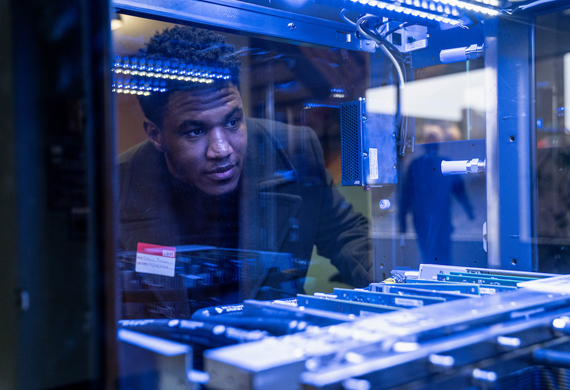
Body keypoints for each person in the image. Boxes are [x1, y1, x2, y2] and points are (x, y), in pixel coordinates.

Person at [118, 26, 371, 290]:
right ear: (156, 135)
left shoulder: (296, 149)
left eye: (232, 122)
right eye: (195, 131)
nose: (221, 149)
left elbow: (347, 235)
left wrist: (399, 290)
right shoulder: (118, 183)